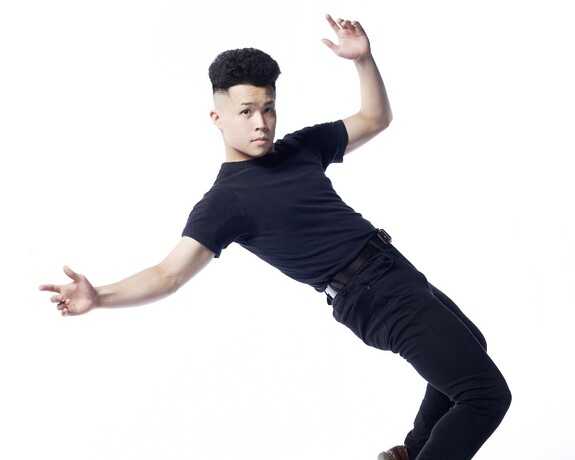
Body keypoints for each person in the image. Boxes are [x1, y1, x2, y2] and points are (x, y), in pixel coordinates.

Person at [39, 14, 511, 460]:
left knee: (473, 349)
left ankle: (407, 453)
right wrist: (99, 296)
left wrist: (363, 60)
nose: (261, 122)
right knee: (484, 395)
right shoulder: (224, 202)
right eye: (246, 111)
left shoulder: (300, 147)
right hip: (369, 295)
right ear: (217, 118)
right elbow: (168, 274)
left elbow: (374, 118)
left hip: (394, 270)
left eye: (268, 109)